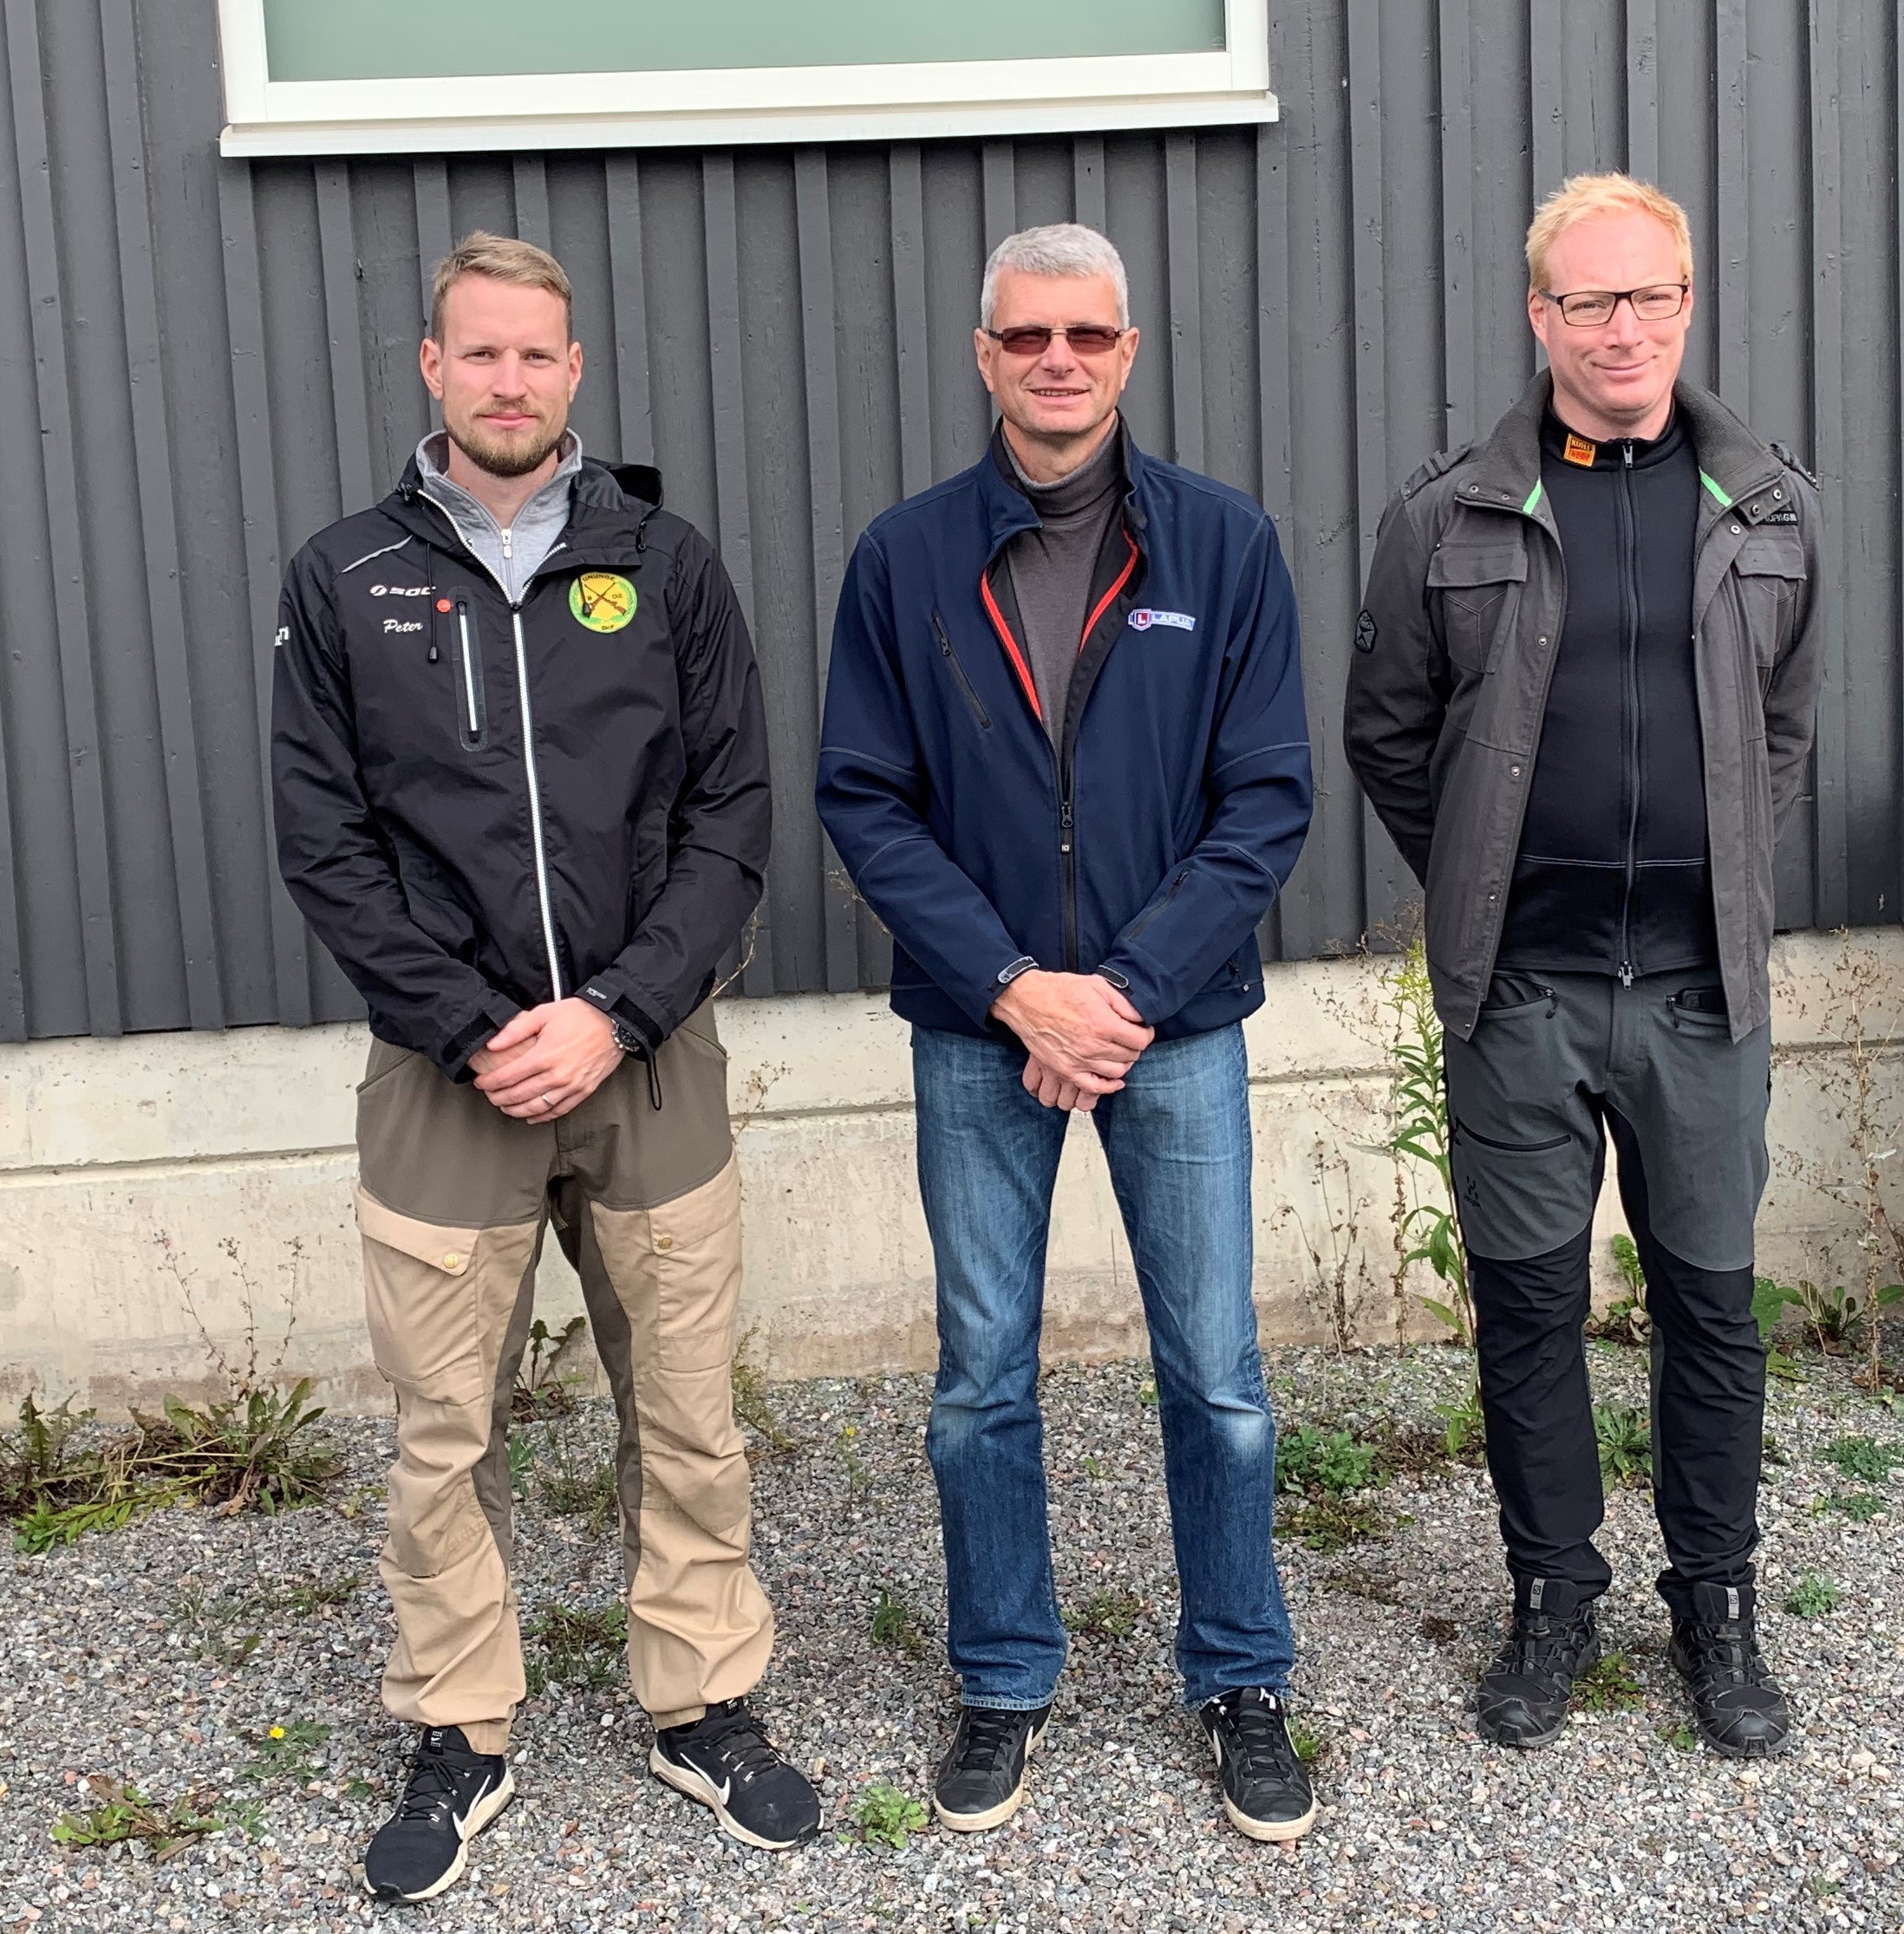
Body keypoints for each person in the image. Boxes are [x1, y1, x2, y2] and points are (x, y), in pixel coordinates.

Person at [271, 231, 819, 1903]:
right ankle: (458, 1722)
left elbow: (734, 811)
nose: (512, 382)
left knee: (690, 1409)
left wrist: (622, 1009)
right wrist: (471, 1025)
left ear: (575, 373)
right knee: (447, 1427)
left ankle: (701, 1696)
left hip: (646, 1061)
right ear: (430, 369)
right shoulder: (346, 574)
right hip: (448, 1078)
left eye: (539, 356)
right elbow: (325, 838)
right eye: (480, 354)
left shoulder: (664, 560)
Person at [816, 223, 1316, 1841]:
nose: (1057, 362)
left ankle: (1242, 1674)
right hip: (982, 1029)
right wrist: (1016, 986)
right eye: (1026, 336)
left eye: (1085, 336)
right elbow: (866, 802)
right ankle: (1004, 1678)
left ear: (1129, 347)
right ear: (984, 356)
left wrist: (1125, 993)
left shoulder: (1223, 549)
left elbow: (1266, 803)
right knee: (981, 1382)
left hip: (1171, 1027)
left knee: (1219, 1378)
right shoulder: (904, 559)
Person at [1346, 174, 1823, 1758]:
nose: (1627, 328)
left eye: (1655, 296)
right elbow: (1392, 735)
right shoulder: (1453, 512)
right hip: (1523, 994)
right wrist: (1487, 875)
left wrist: (1718, 877)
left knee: (1713, 1311)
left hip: (1701, 998)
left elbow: (1784, 731)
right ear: (1541, 316)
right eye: (1593, 301)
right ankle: (1554, 1591)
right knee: (1530, 1312)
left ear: (1688, 304)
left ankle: (1717, 1600)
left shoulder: (1767, 505)